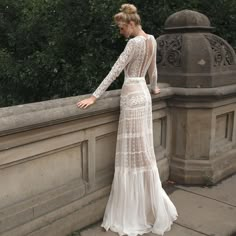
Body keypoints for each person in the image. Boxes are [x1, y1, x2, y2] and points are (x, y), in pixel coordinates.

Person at [77, 3, 178, 236]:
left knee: (131, 152)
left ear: (131, 24)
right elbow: (153, 71)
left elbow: (115, 70)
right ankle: (148, 207)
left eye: (122, 28)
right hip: (143, 95)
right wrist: (154, 89)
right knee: (143, 148)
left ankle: (134, 212)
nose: (121, 32)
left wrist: (94, 97)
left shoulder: (134, 43)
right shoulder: (152, 39)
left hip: (131, 96)